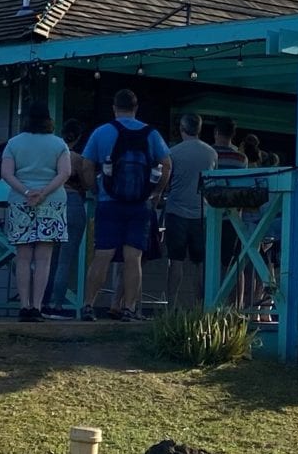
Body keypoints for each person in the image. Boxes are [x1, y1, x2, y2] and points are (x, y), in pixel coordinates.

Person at [81, 87, 169, 319]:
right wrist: (157, 192)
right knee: (134, 258)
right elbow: (167, 164)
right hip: (140, 204)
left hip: (108, 202)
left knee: (103, 254)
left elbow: (86, 165)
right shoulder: (151, 133)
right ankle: (129, 308)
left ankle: (89, 305)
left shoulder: (102, 132)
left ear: (114, 108)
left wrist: (95, 189)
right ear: (136, 108)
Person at [0, 102, 72, 322]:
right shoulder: (59, 144)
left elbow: (6, 173)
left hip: (21, 201)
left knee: (22, 257)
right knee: (44, 258)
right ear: (49, 120)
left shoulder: (13, 143)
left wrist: (27, 191)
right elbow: (65, 173)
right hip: (52, 202)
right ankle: (37, 307)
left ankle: (24, 305)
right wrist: (43, 192)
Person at [158, 109, 218, 310]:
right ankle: (200, 306)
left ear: (182, 128)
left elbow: (166, 181)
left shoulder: (173, 152)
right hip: (202, 213)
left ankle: (171, 304)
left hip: (176, 211)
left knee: (175, 261)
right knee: (199, 263)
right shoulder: (211, 153)